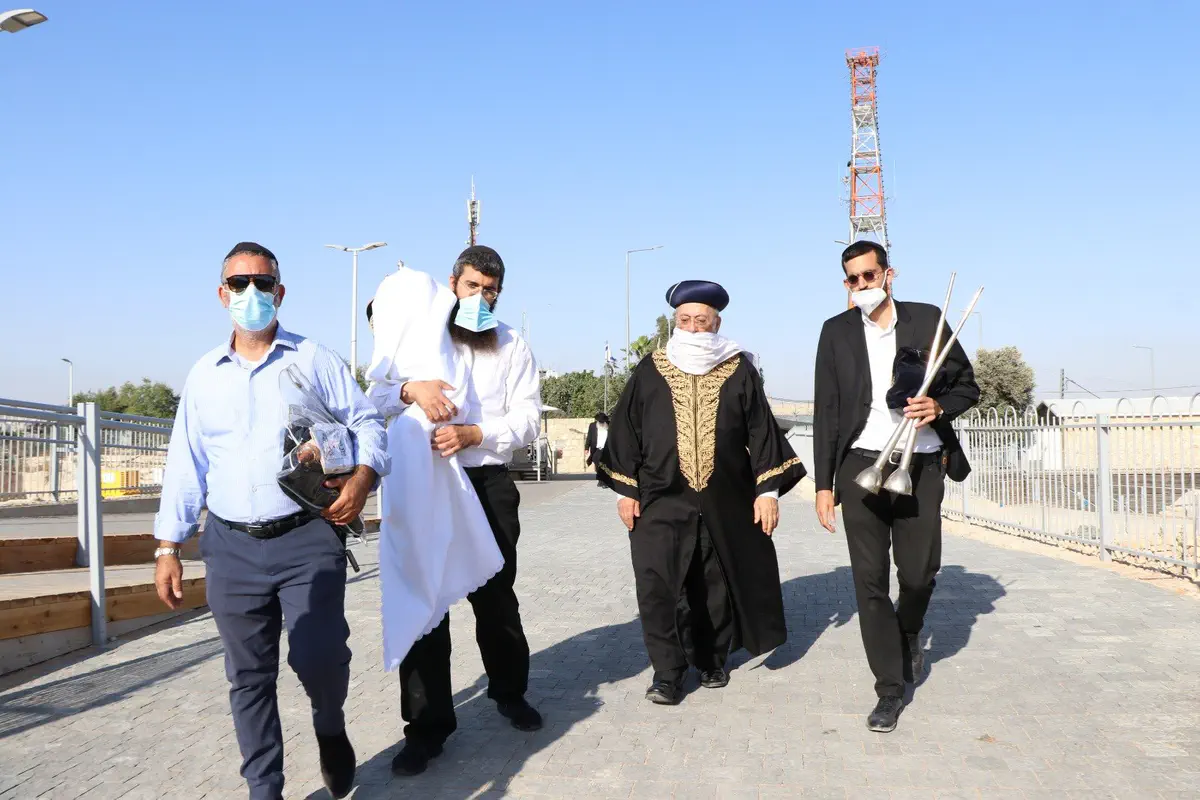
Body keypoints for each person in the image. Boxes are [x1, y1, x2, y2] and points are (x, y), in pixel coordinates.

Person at [153, 242, 390, 800]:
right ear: (223, 294)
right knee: (248, 677)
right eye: (239, 284)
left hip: (306, 537)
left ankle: (330, 725)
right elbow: (186, 464)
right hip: (230, 545)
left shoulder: (314, 360)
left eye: (262, 283)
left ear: (279, 292)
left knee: (319, 658)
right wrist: (168, 547)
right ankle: (264, 788)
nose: (251, 293)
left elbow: (368, 423)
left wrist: (362, 479)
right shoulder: (204, 376)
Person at [599, 280, 806, 705]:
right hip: (658, 497)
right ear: (675, 322)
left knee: (714, 581)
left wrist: (767, 491)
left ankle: (712, 659)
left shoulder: (738, 368)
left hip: (724, 497)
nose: (693, 328)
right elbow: (626, 430)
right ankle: (667, 672)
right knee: (658, 585)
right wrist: (624, 490)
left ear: (717, 324)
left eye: (701, 321)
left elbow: (761, 431)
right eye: (685, 320)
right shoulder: (652, 367)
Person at [378, 245, 543, 776]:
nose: (481, 298)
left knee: (496, 597)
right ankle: (426, 729)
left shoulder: (512, 345)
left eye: (491, 291)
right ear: (453, 284)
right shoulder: (419, 333)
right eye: (472, 286)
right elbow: (375, 398)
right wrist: (411, 389)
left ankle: (509, 693)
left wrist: (476, 433)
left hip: (487, 483)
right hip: (427, 484)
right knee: (426, 603)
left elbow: (529, 418)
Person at [813, 240, 979, 733]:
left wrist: (939, 407)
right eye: (853, 279)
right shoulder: (836, 331)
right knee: (869, 582)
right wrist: (824, 485)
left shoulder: (927, 319)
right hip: (860, 466)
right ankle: (889, 689)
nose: (862, 285)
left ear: (889, 273)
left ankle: (909, 631)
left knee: (919, 574)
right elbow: (826, 411)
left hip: (920, 465)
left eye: (870, 275)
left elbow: (967, 386)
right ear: (846, 284)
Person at [584, 412, 610, 485]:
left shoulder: (610, 425)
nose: (601, 423)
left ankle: (604, 481)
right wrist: (586, 448)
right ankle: (600, 479)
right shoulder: (592, 426)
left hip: (606, 449)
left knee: (605, 465)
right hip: (596, 449)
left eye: (603, 422)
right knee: (597, 463)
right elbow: (589, 437)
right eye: (600, 422)